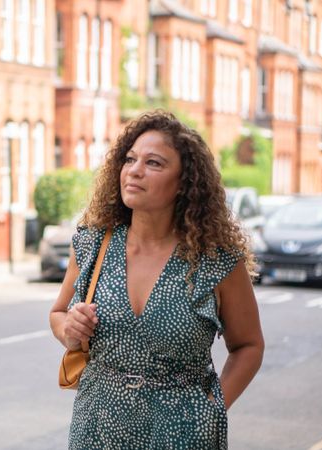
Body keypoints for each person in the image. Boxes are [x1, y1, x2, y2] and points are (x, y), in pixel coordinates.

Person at [50, 110, 264, 449]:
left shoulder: (216, 262)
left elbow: (249, 346)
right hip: (97, 428)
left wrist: (212, 409)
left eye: (154, 163)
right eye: (130, 159)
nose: (135, 170)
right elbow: (58, 313)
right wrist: (69, 329)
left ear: (184, 183)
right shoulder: (93, 244)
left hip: (183, 433)